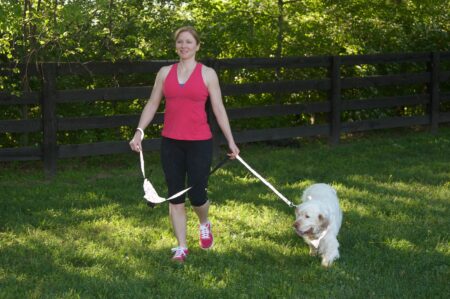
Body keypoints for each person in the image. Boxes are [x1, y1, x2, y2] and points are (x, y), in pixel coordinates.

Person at [129, 26, 240, 262]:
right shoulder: (164, 72)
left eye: (189, 42)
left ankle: (204, 223)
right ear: (176, 45)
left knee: (197, 195)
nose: (184, 46)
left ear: (197, 46)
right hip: (171, 142)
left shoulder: (208, 74)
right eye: (180, 42)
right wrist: (139, 131)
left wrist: (231, 141)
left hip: (200, 142)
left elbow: (219, 109)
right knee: (175, 195)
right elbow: (151, 104)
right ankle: (181, 246)